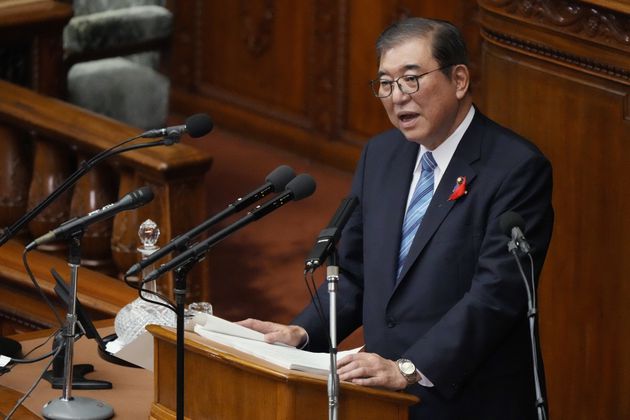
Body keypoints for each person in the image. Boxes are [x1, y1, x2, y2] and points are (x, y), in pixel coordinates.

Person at [240, 17, 553, 419]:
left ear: (459, 80)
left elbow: (496, 295)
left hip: (468, 398)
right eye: (385, 84)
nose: (396, 97)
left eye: (410, 79)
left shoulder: (516, 168)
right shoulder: (381, 156)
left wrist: (407, 367)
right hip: (381, 396)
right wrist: (302, 334)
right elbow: (354, 275)